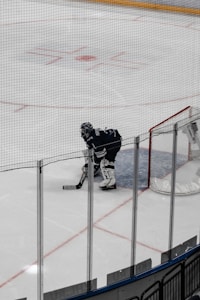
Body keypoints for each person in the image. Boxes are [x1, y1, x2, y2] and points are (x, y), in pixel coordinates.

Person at [80, 122, 122, 190]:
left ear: (88, 131)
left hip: (114, 143)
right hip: (111, 140)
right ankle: (96, 167)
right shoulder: (91, 137)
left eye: (84, 131)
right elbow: (91, 149)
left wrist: (95, 162)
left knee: (105, 161)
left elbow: (101, 154)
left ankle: (110, 181)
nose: (82, 134)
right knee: (90, 152)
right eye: (82, 131)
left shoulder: (94, 139)